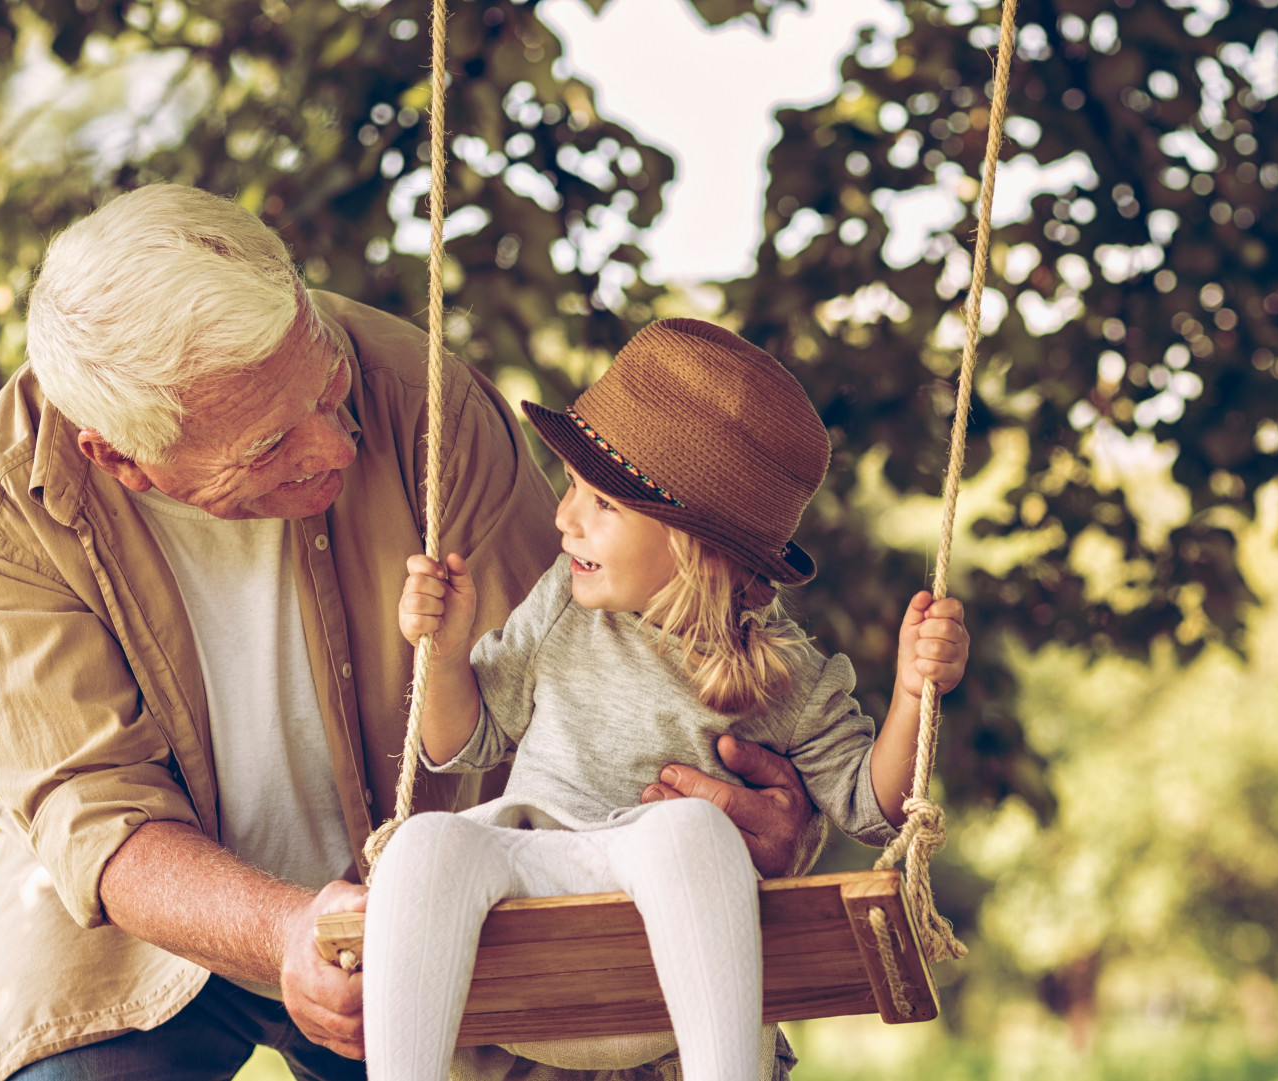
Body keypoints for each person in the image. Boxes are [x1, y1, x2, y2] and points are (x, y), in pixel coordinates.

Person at [0, 184, 818, 1081]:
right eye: (271, 445)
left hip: (433, 884)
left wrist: (740, 820)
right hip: (148, 916)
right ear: (121, 458)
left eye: (328, 386)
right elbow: (95, 810)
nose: (337, 445)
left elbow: (587, 682)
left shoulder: (422, 397)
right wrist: (283, 931)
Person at [365, 320, 970, 1081]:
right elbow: (462, 742)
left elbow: (870, 804)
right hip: (537, 882)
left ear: (696, 543)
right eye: (572, 489)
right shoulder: (563, 604)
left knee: (690, 829)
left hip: (668, 953)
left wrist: (915, 693)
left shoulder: (782, 673)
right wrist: (445, 655)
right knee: (423, 844)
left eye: (602, 504)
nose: (564, 517)